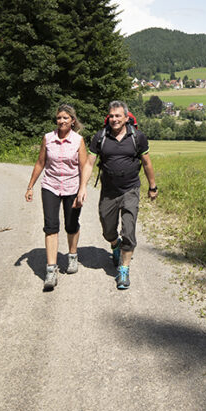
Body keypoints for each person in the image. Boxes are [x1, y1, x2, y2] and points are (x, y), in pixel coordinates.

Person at [77, 100, 157, 290]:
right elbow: (89, 164)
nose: (114, 119)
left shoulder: (137, 137)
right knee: (107, 229)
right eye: (111, 116)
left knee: (129, 229)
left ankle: (123, 269)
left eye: (118, 116)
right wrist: (82, 187)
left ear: (126, 117)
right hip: (109, 191)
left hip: (130, 189)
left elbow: (146, 163)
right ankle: (115, 244)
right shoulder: (100, 137)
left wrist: (152, 186)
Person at [25, 104, 88, 291]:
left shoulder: (78, 141)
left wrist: (82, 189)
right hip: (50, 186)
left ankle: (72, 255)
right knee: (51, 226)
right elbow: (40, 163)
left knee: (71, 224)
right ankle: (51, 269)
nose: (61, 121)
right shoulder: (48, 138)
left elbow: (84, 167)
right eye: (59, 118)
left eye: (65, 118)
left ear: (72, 121)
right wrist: (30, 186)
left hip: (72, 187)